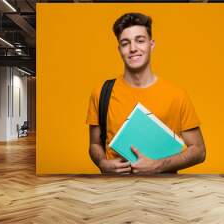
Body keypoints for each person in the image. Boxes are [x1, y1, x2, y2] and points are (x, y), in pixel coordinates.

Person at [86, 12, 206, 174]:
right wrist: (102, 162)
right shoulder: (101, 92)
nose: (133, 48)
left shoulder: (177, 95)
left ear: (151, 44)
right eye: (125, 43)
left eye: (140, 41)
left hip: (162, 191)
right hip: (113, 189)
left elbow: (199, 151)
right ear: (119, 49)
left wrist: (159, 166)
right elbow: (94, 144)